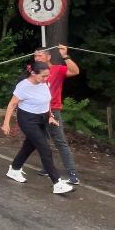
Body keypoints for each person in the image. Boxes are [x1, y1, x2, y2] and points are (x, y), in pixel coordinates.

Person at [1, 61, 76, 195]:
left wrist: (50, 116)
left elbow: (46, 102)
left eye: (48, 76)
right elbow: (12, 104)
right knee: (45, 149)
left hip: (41, 118)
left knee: (29, 146)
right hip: (27, 120)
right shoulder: (23, 86)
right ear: (33, 73)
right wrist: (6, 123)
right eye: (43, 76)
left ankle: (14, 169)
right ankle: (57, 183)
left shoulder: (44, 83)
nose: (46, 79)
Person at [33, 45, 81, 184]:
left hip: (52, 110)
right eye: (35, 55)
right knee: (40, 140)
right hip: (37, 110)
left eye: (40, 55)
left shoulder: (57, 69)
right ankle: (47, 167)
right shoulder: (33, 71)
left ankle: (72, 174)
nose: (37, 58)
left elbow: (75, 71)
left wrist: (65, 55)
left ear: (48, 57)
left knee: (60, 141)